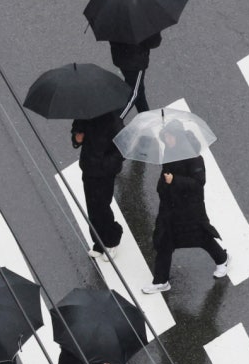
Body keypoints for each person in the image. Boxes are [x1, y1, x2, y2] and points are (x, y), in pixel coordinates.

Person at [141, 123, 229, 294]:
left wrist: (174, 180)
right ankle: (161, 281)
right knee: (164, 241)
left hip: (189, 209)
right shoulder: (169, 154)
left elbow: (198, 184)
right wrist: (164, 185)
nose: (168, 140)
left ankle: (222, 258)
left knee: (201, 237)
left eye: (170, 136)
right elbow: (164, 179)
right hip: (169, 209)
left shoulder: (194, 158)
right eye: (165, 137)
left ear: (179, 136)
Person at [71, 109, 125, 261]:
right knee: (92, 207)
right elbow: (76, 134)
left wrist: (105, 164)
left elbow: (122, 149)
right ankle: (98, 242)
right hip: (89, 168)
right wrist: (77, 139)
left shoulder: (114, 122)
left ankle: (112, 239)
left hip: (105, 173)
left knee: (102, 206)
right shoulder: (83, 115)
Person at [111, 32, 162, 117]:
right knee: (134, 93)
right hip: (135, 63)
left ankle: (146, 117)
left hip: (119, 57)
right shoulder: (143, 22)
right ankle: (115, 121)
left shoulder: (114, 20)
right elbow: (154, 42)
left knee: (139, 88)